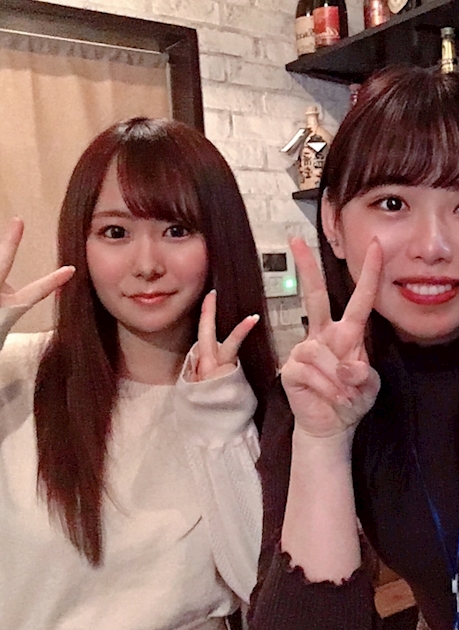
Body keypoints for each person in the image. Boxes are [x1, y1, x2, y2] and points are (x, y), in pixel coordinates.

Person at [249, 66, 459, 630]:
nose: (431, 246)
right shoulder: (318, 390)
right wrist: (323, 442)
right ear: (333, 223)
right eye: (393, 203)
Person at [0, 117, 278, 629]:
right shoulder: (15, 373)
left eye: (176, 230)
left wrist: (220, 416)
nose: (147, 264)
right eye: (116, 232)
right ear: (81, 243)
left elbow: (261, 589)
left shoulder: (253, 403)